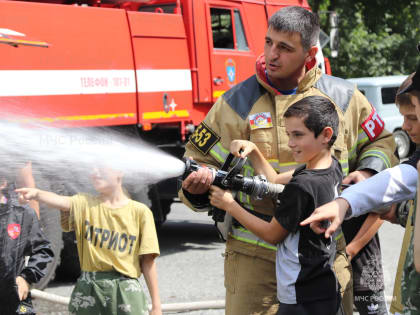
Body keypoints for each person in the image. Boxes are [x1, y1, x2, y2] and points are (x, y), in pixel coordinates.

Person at [179, 5, 397, 315]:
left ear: (309, 55)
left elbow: (380, 142)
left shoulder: (345, 98)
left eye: (284, 47)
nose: (271, 54)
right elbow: (198, 162)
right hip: (254, 263)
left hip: (323, 258)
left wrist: (365, 171)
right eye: (268, 42)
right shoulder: (234, 103)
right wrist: (197, 188)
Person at [301, 62, 420, 314]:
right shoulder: (415, 165)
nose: (408, 126)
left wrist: (351, 246)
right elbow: (400, 179)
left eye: (415, 115)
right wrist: (346, 201)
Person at [209, 96, 344, 315]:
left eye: (298, 135)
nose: (291, 143)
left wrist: (230, 205)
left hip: (300, 296)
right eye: (289, 135)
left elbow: (272, 234)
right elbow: (273, 179)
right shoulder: (330, 166)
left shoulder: (303, 185)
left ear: (326, 135)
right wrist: (253, 150)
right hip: (323, 287)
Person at [16, 166, 162, 315]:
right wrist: (36, 193)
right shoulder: (84, 203)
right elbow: (61, 201)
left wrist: (156, 306)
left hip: (126, 292)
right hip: (89, 289)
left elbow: (148, 261)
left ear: (119, 170)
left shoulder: (140, 213)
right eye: (93, 169)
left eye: (101, 167)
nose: (95, 173)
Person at [0, 170, 54, 315]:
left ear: (3, 183)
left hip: (11, 299)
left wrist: (25, 278)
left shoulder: (22, 214)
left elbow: (43, 250)